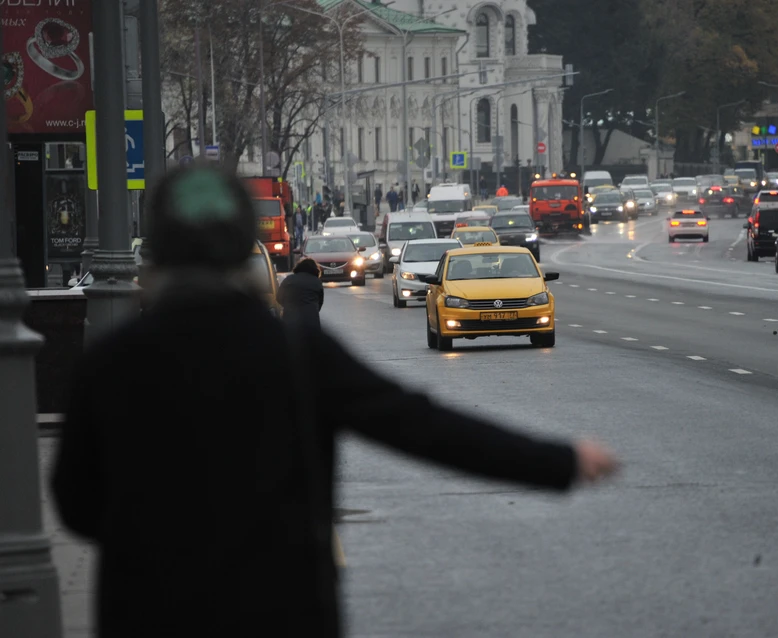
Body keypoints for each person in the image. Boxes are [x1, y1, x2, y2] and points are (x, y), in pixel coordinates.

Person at [50, 164, 618, 638]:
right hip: (283, 607)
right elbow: (421, 426)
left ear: (160, 250)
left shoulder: (111, 360)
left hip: (147, 612)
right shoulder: (294, 352)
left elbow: (76, 502)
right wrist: (559, 462)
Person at [279, 257, 324, 329]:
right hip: (311, 321)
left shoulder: (289, 279)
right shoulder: (316, 281)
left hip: (290, 319)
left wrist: (288, 306)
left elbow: (279, 297)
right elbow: (319, 302)